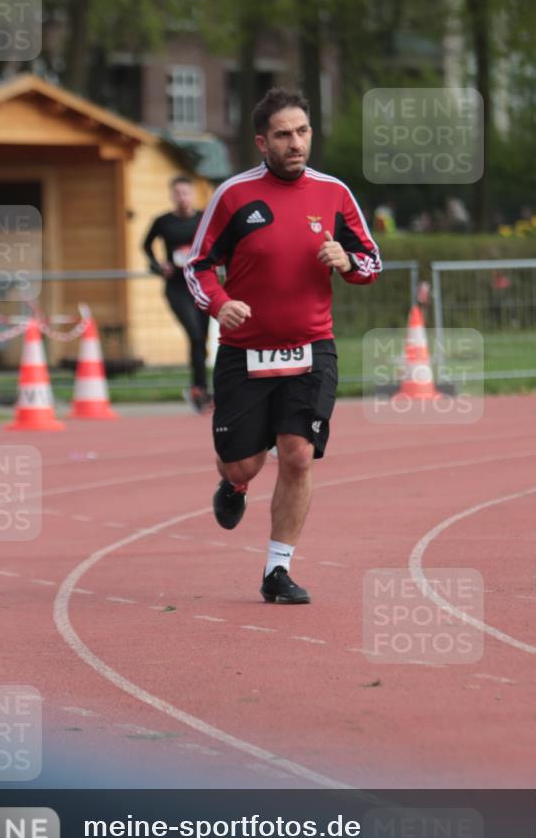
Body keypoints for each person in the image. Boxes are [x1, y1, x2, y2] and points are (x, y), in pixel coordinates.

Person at [185, 88, 381, 604]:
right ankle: (235, 486)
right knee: (243, 464)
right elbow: (197, 265)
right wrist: (219, 302)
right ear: (261, 142)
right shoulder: (233, 195)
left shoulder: (334, 192)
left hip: (311, 347)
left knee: (297, 455)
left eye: (302, 131)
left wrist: (348, 262)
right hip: (244, 351)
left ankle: (277, 570)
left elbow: (371, 261)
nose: (295, 143)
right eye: (283, 135)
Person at [143, 176, 212, 412]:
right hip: (177, 287)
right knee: (193, 334)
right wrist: (158, 266)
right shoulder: (163, 222)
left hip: (200, 284)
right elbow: (146, 246)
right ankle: (199, 389)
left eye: (186, 193)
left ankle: (200, 387)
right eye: (178, 193)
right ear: (172, 196)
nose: (182, 197)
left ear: (192, 195)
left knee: (201, 338)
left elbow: (217, 243)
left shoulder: (204, 218)